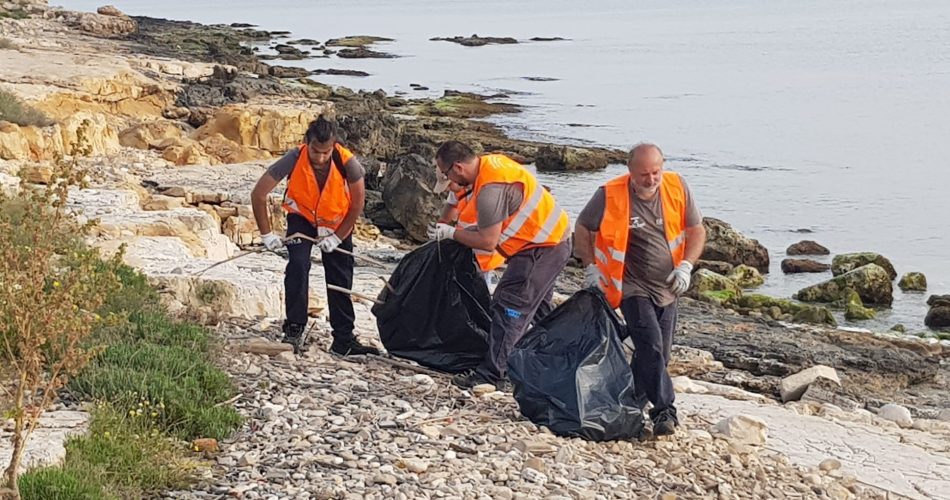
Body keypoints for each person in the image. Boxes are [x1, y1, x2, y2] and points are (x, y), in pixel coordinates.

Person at [573, 143, 707, 436]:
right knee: (650, 345)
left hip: (669, 285)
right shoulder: (609, 194)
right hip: (631, 285)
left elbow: (697, 230)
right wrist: (589, 266)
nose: (651, 179)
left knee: (659, 354)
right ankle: (665, 412)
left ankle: (628, 405)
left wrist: (686, 265)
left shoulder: (677, 187)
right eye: (644, 174)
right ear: (630, 171)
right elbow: (582, 226)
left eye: (656, 172)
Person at [429, 141, 572, 390]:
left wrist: (451, 234)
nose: (447, 179)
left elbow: (487, 241)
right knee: (537, 309)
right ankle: (558, 359)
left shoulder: (491, 189)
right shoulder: (490, 165)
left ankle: (493, 374)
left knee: (509, 307)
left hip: (540, 249)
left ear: (458, 168)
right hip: (551, 241)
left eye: (446, 173)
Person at [250, 116, 379, 356]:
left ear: (334, 147)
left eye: (326, 152)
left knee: (340, 276)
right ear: (306, 143)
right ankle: (294, 329)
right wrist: (267, 234)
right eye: (315, 151)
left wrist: (338, 237)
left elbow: (357, 204)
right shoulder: (294, 157)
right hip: (302, 219)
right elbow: (259, 193)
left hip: (336, 222)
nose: (320, 158)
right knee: (298, 265)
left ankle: (343, 339)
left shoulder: (348, 163)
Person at [437, 181, 506, 286]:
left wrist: (450, 233)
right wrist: (441, 225)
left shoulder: (484, 195)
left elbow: (487, 241)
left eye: (448, 185)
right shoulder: (457, 187)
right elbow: (451, 205)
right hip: (465, 248)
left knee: (480, 289)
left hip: (484, 256)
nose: (447, 189)